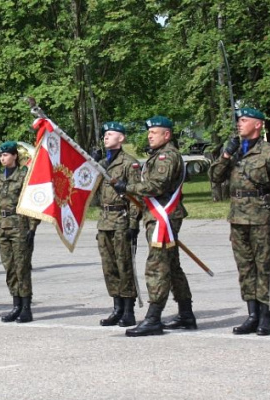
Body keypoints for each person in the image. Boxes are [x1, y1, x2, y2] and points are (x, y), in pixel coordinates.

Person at [209, 107, 270, 336]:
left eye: (244, 120)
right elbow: (215, 178)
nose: (239, 124)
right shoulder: (234, 151)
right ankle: (252, 314)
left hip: (261, 217)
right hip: (237, 218)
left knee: (263, 267)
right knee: (245, 268)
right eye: (238, 120)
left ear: (258, 125)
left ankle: (265, 315)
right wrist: (226, 155)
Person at [112, 116, 194, 337]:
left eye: (154, 132)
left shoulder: (167, 156)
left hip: (163, 217)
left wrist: (127, 187)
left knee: (156, 266)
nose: (149, 135)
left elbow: (157, 185)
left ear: (166, 135)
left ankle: (153, 318)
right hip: (158, 216)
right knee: (172, 265)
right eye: (149, 132)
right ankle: (186, 313)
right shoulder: (158, 155)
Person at [0, 141, 40, 323]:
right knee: (9, 267)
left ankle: (26, 307)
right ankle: (15, 304)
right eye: (0, 155)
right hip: (3, 225)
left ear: (15, 156)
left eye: (6, 154)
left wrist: (32, 227)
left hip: (20, 224)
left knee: (22, 267)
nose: (2, 158)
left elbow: (34, 201)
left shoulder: (24, 175)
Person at [95, 122, 141, 327]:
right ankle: (117, 307)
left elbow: (135, 195)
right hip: (104, 221)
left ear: (121, 138)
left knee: (125, 266)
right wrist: (93, 165)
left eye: (111, 134)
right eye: (105, 134)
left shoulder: (128, 163)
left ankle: (128, 309)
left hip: (121, 220)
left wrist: (133, 224)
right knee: (109, 267)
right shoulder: (102, 164)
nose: (106, 137)